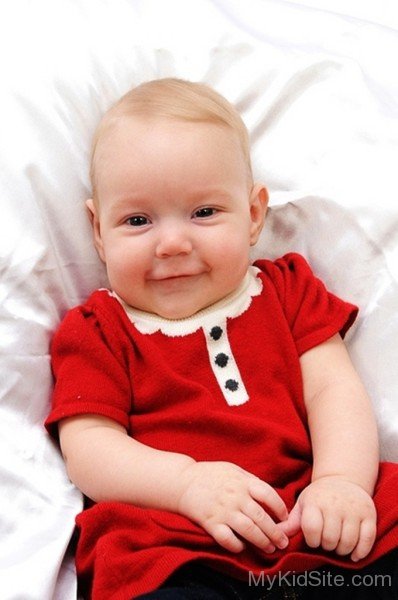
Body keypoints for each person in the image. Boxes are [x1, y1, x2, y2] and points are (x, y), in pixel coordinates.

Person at [45, 78, 398, 600]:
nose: (172, 243)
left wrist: (341, 481)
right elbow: (89, 450)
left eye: (204, 213)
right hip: (174, 543)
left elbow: (333, 392)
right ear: (99, 231)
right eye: (137, 220)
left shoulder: (286, 291)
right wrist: (188, 485)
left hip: (309, 515)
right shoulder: (99, 330)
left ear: (254, 213)